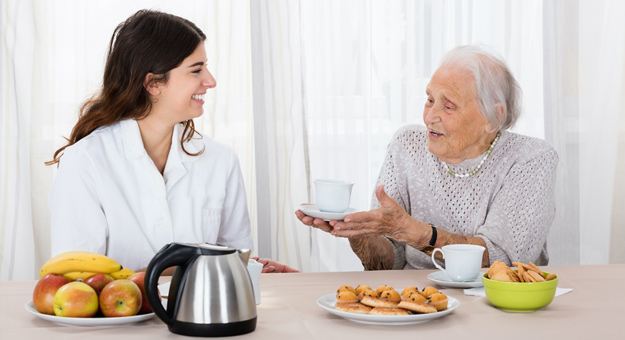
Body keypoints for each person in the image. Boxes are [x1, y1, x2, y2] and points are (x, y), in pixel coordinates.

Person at [47, 10, 297, 273]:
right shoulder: (85, 162)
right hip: (121, 316)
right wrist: (174, 274)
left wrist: (258, 270)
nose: (210, 81)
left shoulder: (221, 160)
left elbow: (233, 263)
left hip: (201, 315)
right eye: (196, 70)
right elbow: (78, 281)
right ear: (153, 83)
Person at [296, 44, 558, 270]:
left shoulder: (531, 159)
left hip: (498, 308)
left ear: (494, 117)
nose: (430, 117)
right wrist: (359, 232)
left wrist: (413, 232)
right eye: (430, 99)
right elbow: (389, 263)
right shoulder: (407, 145)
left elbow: (500, 261)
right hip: (418, 300)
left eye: (448, 106)